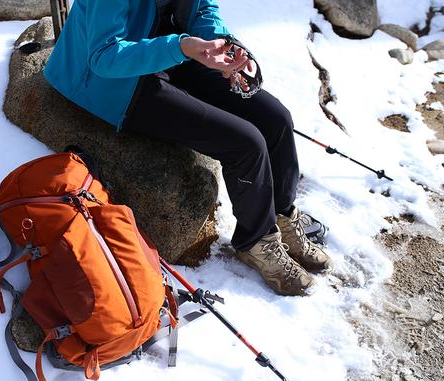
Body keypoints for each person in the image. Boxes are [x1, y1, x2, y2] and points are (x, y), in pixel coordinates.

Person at [43, 0, 333, 296]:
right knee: (245, 143)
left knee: (276, 119)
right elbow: (104, 56)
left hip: (172, 53)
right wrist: (180, 48)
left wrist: (225, 47)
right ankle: (257, 241)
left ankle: (282, 215)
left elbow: (202, 9)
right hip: (115, 82)